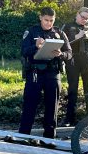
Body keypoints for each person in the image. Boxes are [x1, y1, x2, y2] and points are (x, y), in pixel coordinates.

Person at [19, 7, 72, 138]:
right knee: (29, 105)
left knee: (52, 107)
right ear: (40, 17)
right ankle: (23, 136)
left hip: (52, 73)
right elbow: (23, 51)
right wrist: (35, 46)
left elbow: (70, 54)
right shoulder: (31, 32)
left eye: (51, 20)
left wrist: (61, 54)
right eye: (46, 20)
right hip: (35, 72)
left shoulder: (59, 33)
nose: (49, 23)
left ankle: (49, 138)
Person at [61, 7, 88, 127]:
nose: (84, 20)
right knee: (72, 89)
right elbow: (62, 44)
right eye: (82, 17)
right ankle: (69, 119)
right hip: (73, 60)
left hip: (87, 60)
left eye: (87, 18)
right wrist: (76, 37)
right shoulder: (68, 26)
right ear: (77, 14)